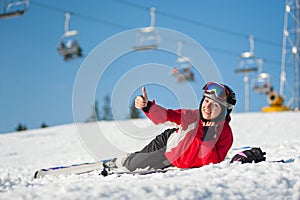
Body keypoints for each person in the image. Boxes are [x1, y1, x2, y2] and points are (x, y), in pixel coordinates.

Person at [106, 82, 237, 171]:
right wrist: (148, 106)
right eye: (206, 101)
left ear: (224, 111)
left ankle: (132, 158)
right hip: (167, 146)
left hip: (175, 160)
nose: (207, 107)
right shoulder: (193, 117)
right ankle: (120, 161)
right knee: (132, 166)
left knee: (140, 163)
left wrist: (207, 138)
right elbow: (167, 116)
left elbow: (211, 164)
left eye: (214, 105)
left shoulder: (225, 134)